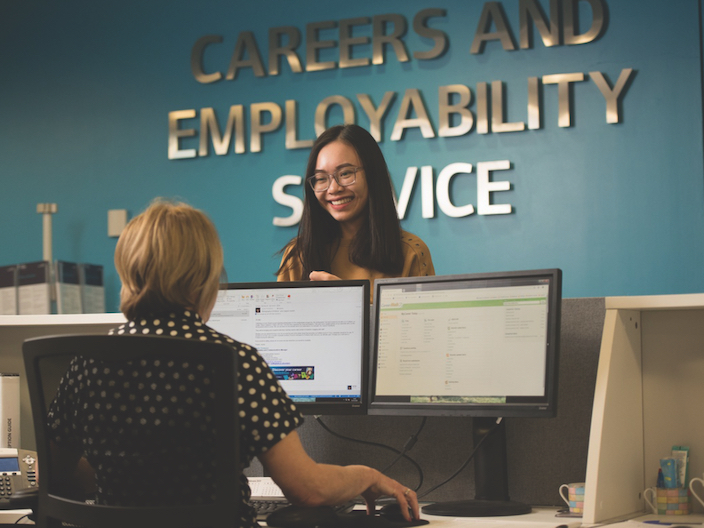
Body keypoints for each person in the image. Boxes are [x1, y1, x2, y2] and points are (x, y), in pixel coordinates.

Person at [46, 199, 420, 528]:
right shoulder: (233, 361)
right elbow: (308, 490)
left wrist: (131, 472)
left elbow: (58, 474)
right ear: (204, 278)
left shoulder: (87, 363)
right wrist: (367, 476)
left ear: (127, 272)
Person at [277, 124, 434, 295]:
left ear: (372, 175)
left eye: (345, 174)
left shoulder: (411, 253)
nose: (333, 189)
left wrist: (351, 300)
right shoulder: (298, 253)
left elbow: (421, 322)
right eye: (321, 178)